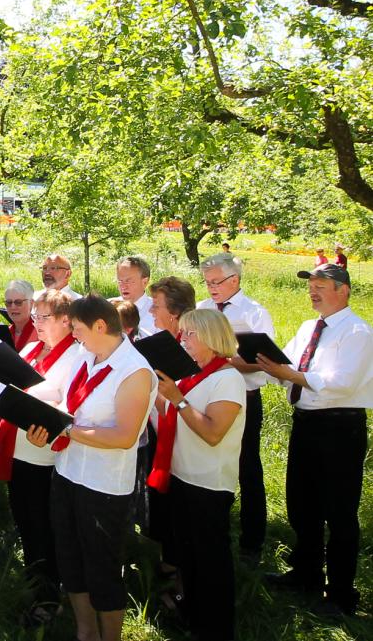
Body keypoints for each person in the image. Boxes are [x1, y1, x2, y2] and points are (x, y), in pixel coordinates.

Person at [26, 295, 157, 641]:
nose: (75, 335)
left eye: (79, 329)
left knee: (102, 566)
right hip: (68, 472)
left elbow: (125, 436)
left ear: (101, 326)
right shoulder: (86, 354)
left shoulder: (135, 370)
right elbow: (57, 390)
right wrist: (20, 399)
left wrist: (65, 429)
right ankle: (86, 631)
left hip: (103, 484)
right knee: (70, 557)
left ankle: (110, 636)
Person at [257, 264, 371, 617]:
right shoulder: (309, 327)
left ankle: (340, 594)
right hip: (306, 423)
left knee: (338, 512)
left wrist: (290, 374)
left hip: (340, 427)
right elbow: (288, 364)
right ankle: (305, 573)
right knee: (301, 502)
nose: (313, 292)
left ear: (343, 290)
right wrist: (264, 362)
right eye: (311, 286)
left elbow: (342, 383)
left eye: (321, 285)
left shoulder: (357, 331)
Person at [0, 288, 84, 625]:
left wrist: (43, 408)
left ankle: (50, 595)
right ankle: (36, 581)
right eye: (36, 317)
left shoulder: (77, 356)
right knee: (25, 521)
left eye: (44, 317)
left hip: (46, 457)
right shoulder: (30, 347)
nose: (36, 323)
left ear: (67, 321)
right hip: (18, 448)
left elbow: (72, 406)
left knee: (45, 526)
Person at [148, 309, 246, 641]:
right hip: (180, 476)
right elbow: (165, 424)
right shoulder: (191, 376)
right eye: (183, 334)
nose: (183, 340)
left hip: (208, 483)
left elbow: (213, 432)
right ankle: (191, 612)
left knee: (211, 560)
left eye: (190, 334)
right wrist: (157, 398)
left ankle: (216, 627)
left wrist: (178, 401)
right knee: (188, 556)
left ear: (211, 337)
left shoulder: (227, 378)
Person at [196, 252, 275, 563]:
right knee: (211, 465)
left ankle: (252, 543)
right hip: (206, 398)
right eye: (207, 282)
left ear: (235, 280)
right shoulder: (202, 309)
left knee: (247, 469)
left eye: (217, 282)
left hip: (244, 399)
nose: (211, 287)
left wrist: (221, 360)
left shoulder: (254, 313)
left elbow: (263, 362)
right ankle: (215, 529)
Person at [145, 276, 197, 579]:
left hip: (183, 442)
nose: (152, 313)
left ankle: (179, 572)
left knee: (180, 508)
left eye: (156, 307)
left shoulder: (191, 348)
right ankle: (166, 561)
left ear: (174, 313)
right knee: (163, 506)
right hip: (158, 433)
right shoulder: (160, 342)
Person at [114, 255, 156, 336]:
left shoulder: (157, 312)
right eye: (120, 281)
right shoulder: (109, 307)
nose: (123, 286)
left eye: (128, 281)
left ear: (144, 282)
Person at [3, 279, 37, 351]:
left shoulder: (41, 333)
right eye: (9, 302)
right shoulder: (5, 333)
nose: (13, 307)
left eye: (18, 302)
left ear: (31, 303)